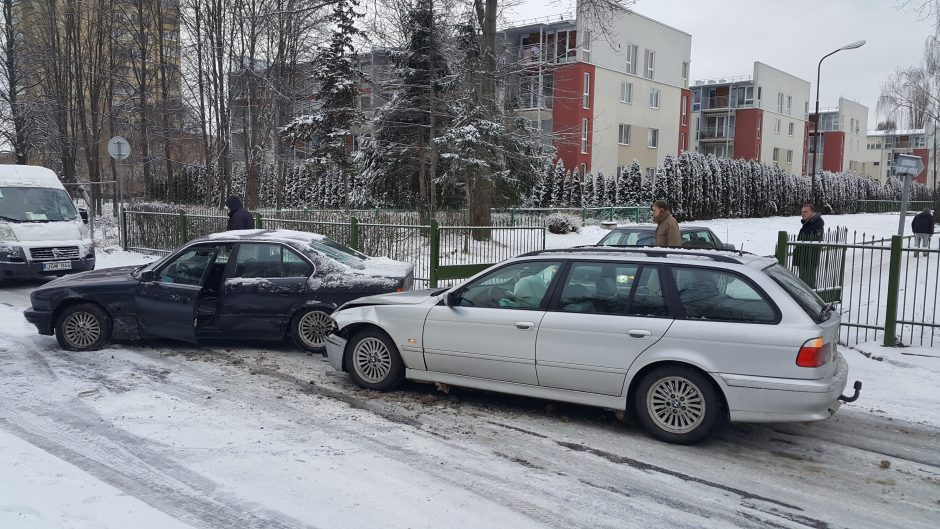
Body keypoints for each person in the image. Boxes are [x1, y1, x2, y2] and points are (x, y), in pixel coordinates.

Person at [794, 203, 824, 287]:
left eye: (805, 212)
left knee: (807, 284)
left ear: (812, 212)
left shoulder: (815, 224)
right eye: (802, 212)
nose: (803, 214)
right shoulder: (809, 223)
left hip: (809, 258)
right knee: (804, 282)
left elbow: (815, 243)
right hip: (804, 258)